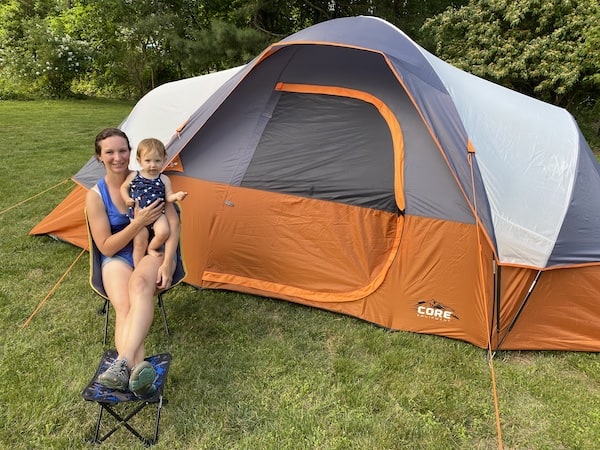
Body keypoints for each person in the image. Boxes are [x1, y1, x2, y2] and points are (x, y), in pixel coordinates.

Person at [86, 128, 180, 397]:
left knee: (138, 286)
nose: (118, 157)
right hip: (116, 255)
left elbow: (173, 225)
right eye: (110, 152)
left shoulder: (149, 179)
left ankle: (122, 363)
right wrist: (138, 222)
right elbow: (106, 246)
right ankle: (138, 371)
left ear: (132, 153)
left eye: (122, 150)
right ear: (99, 157)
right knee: (124, 305)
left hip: (151, 253)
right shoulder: (96, 195)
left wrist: (167, 262)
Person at [120, 138, 187, 267]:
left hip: (157, 214)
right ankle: (137, 266)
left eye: (157, 161)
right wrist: (127, 199)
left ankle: (151, 248)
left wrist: (176, 196)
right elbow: (124, 188)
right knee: (140, 240)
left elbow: (168, 197)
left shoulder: (164, 179)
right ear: (139, 161)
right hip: (137, 214)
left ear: (164, 160)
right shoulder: (135, 175)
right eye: (148, 161)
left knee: (164, 232)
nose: (153, 165)